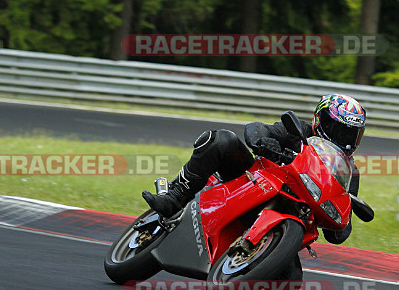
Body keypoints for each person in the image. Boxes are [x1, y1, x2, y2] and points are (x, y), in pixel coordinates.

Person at [142, 93, 366, 244]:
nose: (344, 138)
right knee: (222, 141)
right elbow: (257, 129)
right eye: (338, 129)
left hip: (289, 220)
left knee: (289, 283)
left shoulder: (348, 172)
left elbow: (338, 235)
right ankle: (175, 197)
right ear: (321, 121)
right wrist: (263, 142)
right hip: (253, 180)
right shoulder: (299, 131)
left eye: (350, 134)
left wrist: (342, 223)